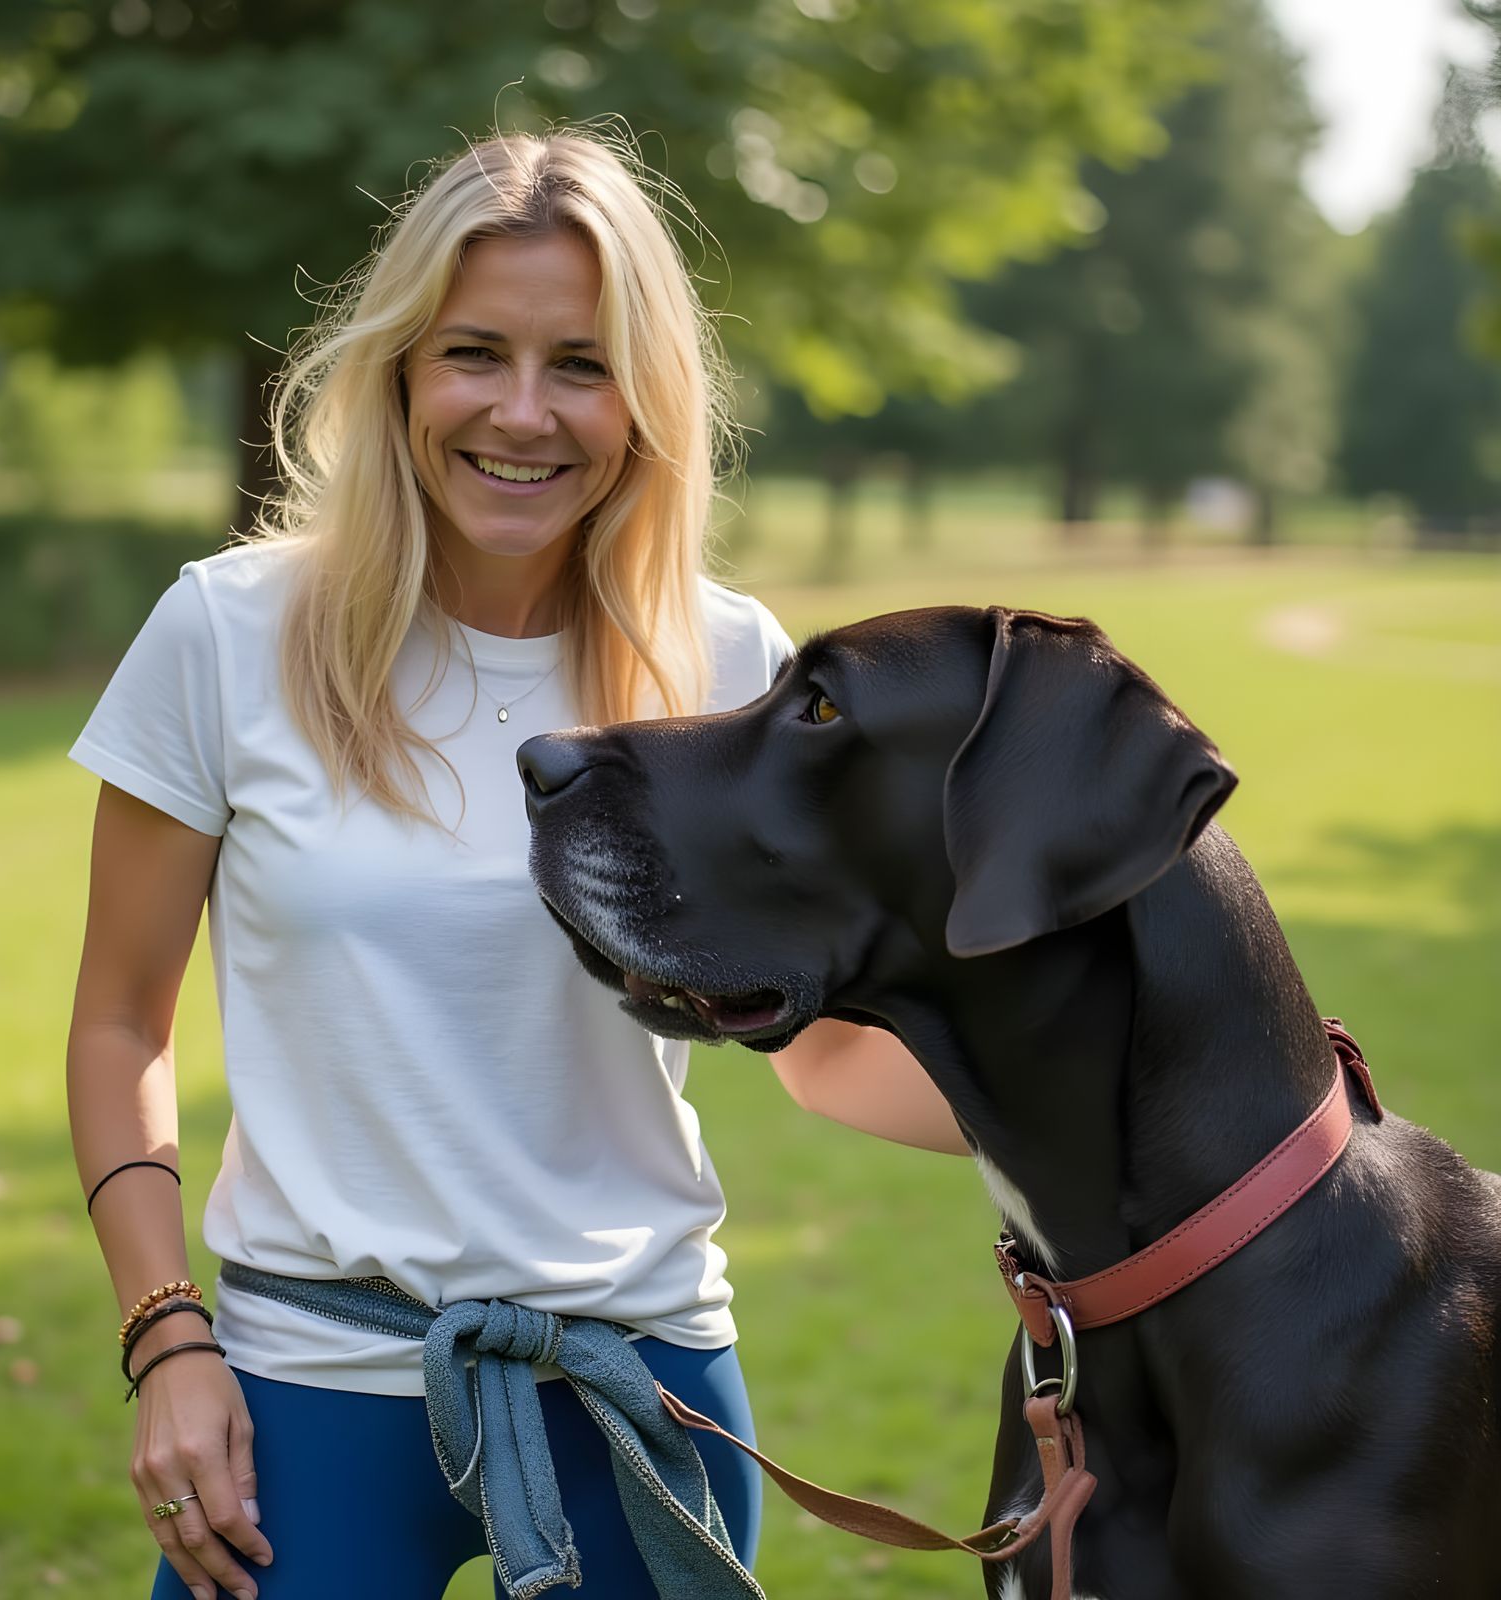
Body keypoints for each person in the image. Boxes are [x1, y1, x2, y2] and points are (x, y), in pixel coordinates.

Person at [66, 128, 970, 1600]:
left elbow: (816, 1053)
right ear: (403, 369)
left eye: (585, 363)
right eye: (477, 353)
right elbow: (120, 1023)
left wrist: (1088, 1102)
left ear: (647, 397)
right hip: (307, 1389)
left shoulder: (722, 661)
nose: (526, 413)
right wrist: (167, 1335)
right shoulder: (225, 637)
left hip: (644, 1387)